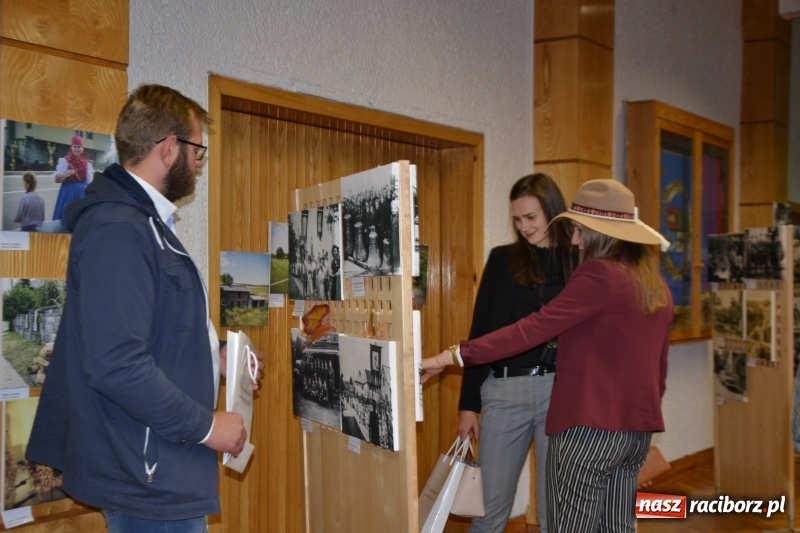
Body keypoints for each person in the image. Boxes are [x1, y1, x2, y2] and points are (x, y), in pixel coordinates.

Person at [26, 84, 264, 533]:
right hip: (146, 477)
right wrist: (206, 426)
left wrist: (214, 357)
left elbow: (155, 331)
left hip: (161, 469)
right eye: (198, 150)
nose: (199, 162)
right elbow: (115, 363)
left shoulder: (144, 223)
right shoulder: (119, 227)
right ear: (170, 148)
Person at [422, 179, 673, 533]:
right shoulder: (653, 280)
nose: (573, 239)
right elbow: (657, 366)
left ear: (599, 232)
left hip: (587, 430)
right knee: (616, 527)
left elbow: (531, 329)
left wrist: (451, 356)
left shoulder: (597, 273)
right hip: (635, 431)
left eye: (580, 230)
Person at [457, 173, 574, 533]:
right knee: (488, 510)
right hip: (504, 391)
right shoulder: (502, 260)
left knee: (557, 510)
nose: (524, 227)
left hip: (562, 391)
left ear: (553, 212)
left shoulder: (578, 262)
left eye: (531, 218)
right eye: (517, 219)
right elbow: (482, 332)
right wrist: (468, 403)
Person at [51, 134, 94, 220]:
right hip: (68, 193)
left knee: (79, 218)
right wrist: (66, 174)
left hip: (81, 195)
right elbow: (57, 180)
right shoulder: (65, 161)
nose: (77, 149)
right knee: (66, 218)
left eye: (79, 147)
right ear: (71, 147)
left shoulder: (87, 164)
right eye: (75, 146)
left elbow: (89, 182)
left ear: (82, 149)